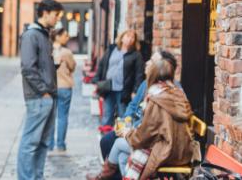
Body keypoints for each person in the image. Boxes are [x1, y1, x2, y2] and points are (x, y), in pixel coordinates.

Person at [87, 50, 192, 180]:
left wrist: (127, 133)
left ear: (159, 69)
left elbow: (146, 135)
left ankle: (104, 177)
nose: (147, 63)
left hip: (164, 148)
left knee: (118, 144)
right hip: (177, 147)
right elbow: (134, 107)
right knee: (116, 149)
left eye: (152, 62)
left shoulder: (157, 97)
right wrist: (126, 122)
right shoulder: (172, 92)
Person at [17, 0, 63, 180]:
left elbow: (40, 66)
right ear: (45, 13)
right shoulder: (31, 35)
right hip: (39, 97)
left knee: (44, 143)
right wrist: (44, 91)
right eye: (56, 15)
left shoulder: (44, 34)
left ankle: (37, 177)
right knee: (30, 143)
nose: (57, 19)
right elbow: (27, 68)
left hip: (48, 95)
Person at [93, 30, 144, 127]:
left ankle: (122, 139)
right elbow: (102, 64)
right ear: (122, 37)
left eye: (132, 37)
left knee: (124, 116)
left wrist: (135, 90)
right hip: (108, 87)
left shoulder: (136, 55)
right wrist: (96, 80)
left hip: (123, 90)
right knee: (107, 114)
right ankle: (105, 138)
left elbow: (139, 74)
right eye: (128, 36)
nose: (130, 39)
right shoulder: (112, 49)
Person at [48, 28, 76, 153]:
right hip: (64, 86)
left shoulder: (48, 50)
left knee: (51, 116)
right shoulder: (66, 52)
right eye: (65, 35)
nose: (67, 37)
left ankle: (49, 144)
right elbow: (72, 67)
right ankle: (60, 144)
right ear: (58, 36)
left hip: (51, 87)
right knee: (63, 116)